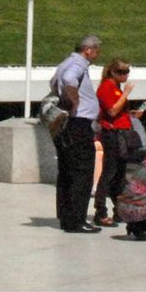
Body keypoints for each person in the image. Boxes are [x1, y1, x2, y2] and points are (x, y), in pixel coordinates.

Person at [50, 34, 103, 233]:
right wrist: (73, 102)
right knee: (82, 171)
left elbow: (55, 81)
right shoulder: (77, 64)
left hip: (69, 124)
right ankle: (77, 219)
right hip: (78, 124)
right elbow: (67, 79)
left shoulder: (66, 62)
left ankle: (67, 216)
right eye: (96, 50)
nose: (97, 54)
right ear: (87, 50)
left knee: (67, 171)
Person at [92, 59, 137, 227]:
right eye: (122, 72)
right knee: (109, 172)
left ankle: (119, 210)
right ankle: (100, 211)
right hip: (112, 134)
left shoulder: (116, 88)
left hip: (122, 132)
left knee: (120, 174)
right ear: (113, 72)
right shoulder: (106, 87)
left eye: (127, 72)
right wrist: (125, 94)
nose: (125, 76)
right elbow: (111, 111)